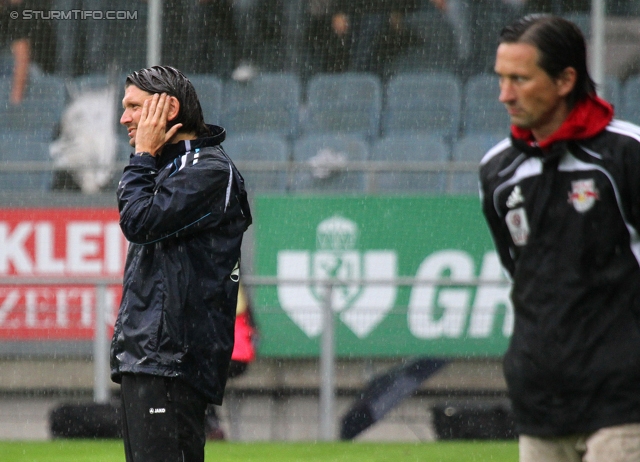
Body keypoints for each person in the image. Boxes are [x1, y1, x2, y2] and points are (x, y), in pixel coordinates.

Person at [479, 14, 640, 462]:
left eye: (520, 79)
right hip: (541, 403)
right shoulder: (496, 171)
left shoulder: (627, 155)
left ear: (566, 79)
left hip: (623, 400)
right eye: (501, 78)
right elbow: (522, 274)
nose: (504, 94)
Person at [110, 65, 252, 462]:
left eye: (134, 107)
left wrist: (142, 157)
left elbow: (137, 222)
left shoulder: (209, 171)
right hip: (148, 360)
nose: (124, 118)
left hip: (172, 362)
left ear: (169, 107)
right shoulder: (168, 169)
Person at [204, 282, 258, 440]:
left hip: (231, 356)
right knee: (203, 379)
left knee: (200, 379)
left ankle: (212, 425)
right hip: (237, 356)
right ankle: (212, 425)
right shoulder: (235, 286)